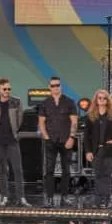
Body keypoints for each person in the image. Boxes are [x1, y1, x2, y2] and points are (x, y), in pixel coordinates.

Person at [0, 78, 29, 207]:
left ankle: (21, 197)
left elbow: (19, 119)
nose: (7, 91)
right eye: (5, 89)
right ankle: (5, 196)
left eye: (9, 89)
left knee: (17, 169)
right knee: (2, 170)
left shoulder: (16, 102)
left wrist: (14, 131)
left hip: (12, 140)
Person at [37, 77, 78, 207]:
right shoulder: (44, 103)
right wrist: (46, 137)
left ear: (61, 86)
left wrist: (72, 137)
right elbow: (41, 123)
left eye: (57, 85)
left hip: (66, 140)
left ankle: (65, 197)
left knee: (66, 170)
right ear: (49, 87)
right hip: (50, 140)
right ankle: (49, 198)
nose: (55, 87)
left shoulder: (69, 102)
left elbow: (74, 121)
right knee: (49, 170)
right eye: (53, 85)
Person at [85, 89, 112, 208]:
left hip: (109, 149)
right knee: (98, 175)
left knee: (107, 175)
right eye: (99, 98)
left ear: (108, 100)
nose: (102, 100)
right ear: (96, 100)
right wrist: (88, 151)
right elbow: (86, 136)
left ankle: (106, 199)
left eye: (104, 98)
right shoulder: (91, 116)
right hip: (96, 150)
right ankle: (98, 200)